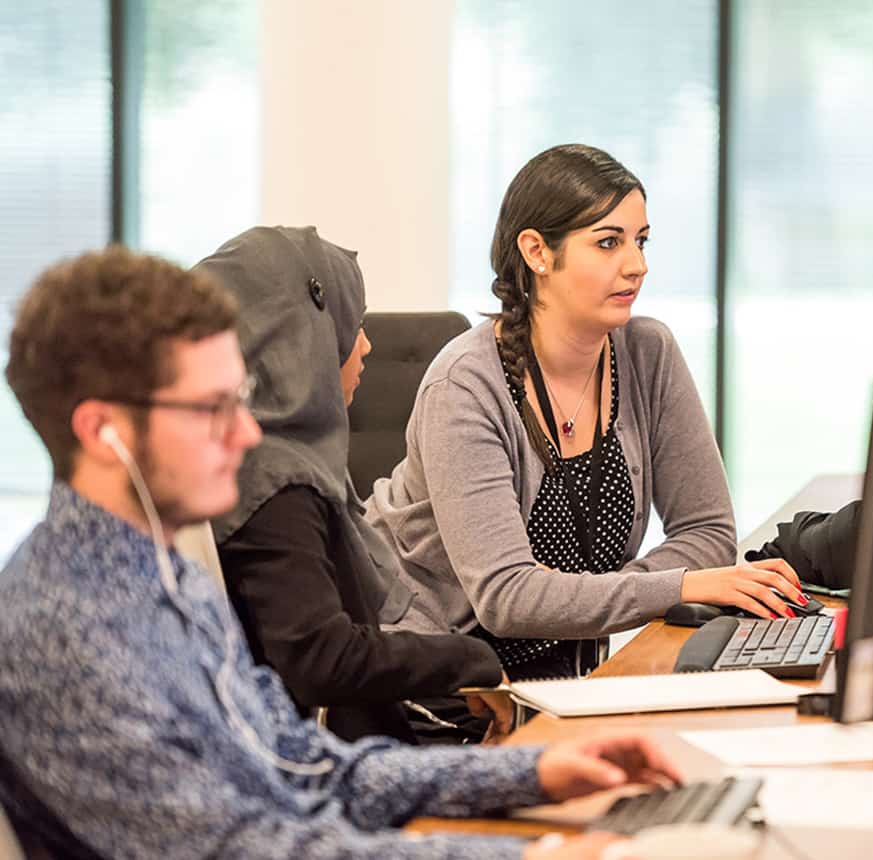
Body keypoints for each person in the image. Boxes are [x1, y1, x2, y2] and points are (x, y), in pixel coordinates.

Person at [0, 245, 680, 859]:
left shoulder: (164, 579)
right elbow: (239, 849)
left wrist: (530, 772)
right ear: (101, 431)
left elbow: (304, 764)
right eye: (212, 408)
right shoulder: (67, 626)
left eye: (238, 399)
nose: (244, 434)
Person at [367, 143, 805, 680]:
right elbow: (507, 597)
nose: (637, 265)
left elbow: (708, 531)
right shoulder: (466, 385)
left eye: (640, 241)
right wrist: (679, 585)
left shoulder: (648, 353)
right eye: (608, 243)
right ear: (537, 252)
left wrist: (604, 596)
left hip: (567, 675)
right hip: (444, 684)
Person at [200, 226, 508, 745]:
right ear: (303, 336)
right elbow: (321, 659)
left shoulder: (270, 461)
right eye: (353, 324)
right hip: (330, 767)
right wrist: (469, 660)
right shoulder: (276, 484)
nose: (365, 345)